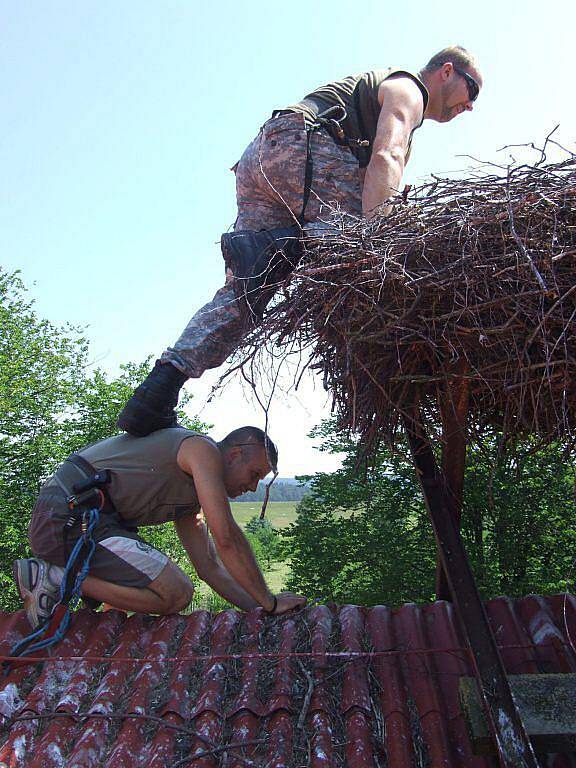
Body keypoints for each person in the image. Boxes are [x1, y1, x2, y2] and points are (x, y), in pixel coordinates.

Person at [117, 46, 482, 437]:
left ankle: (157, 393)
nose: (471, 106)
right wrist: (380, 247)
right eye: (472, 91)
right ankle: (370, 378)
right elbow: (386, 157)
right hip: (312, 151)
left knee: (249, 287)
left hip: (263, 159)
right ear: (447, 71)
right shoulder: (408, 89)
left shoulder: (381, 90)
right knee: (354, 267)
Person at [14, 426, 306, 628]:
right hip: (67, 517)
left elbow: (209, 567)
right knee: (177, 593)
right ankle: (53, 577)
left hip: (84, 522)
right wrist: (269, 601)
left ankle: (60, 577)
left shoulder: (190, 499)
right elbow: (226, 536)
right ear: (234, 455)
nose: (253, 487)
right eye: (254, 474)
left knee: (165, 591)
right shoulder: (200, 449)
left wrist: (259, 609)